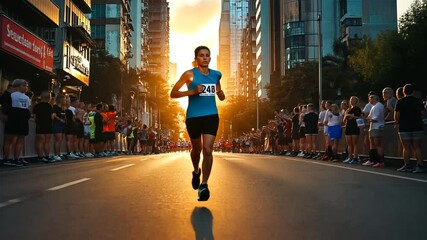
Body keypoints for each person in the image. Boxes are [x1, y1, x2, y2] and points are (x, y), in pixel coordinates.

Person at [170, 46, 225, 201]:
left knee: (208, 150)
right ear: (196, 58)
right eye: (201, 55)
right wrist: (192, 92)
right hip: (193, 117)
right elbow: (173, 93)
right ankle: (196, 171)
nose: (205, 58)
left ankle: (204, 184)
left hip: (211, 116)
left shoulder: (216, 75)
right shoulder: (189, 74)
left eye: (207, 55)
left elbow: (220, 93)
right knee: (197, 150)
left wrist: (220, 93)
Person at [395, 84, 425, 173]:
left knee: (406, 147)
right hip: (417, 126)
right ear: (413, 91)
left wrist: (397, 122)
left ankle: (407, 165)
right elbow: (422, 112)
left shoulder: (400, 102)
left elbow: (396, 115)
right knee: (417, 147)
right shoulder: (419, 101)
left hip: (404, 127)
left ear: (404, 92)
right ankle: (420, 165)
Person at [4, 79, 31, 166]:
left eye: (26, 86)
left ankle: (15, 158)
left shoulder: (27, 97)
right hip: (16, 117)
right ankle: (10, 158)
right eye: (24, 86)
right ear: (19, 86)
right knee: (11, 139)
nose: (26, 88)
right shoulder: (11, 95)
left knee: (18, 139)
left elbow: (28, 109)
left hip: (20, 117)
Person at [363, 94, 385, 168]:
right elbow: (369, 116)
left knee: (378, 144)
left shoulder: (378, 106)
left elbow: (375, 118)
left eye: (371, 98)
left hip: (377, 127)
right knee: (372, 145)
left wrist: (369, 119)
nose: (370, 99)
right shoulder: (373, 106)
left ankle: (380, 161)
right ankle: (373, 159)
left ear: (376, 98)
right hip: (372, 127)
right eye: (369, 98)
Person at [33, 91, 54, 163]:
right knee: (47, 142)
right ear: (49, 97)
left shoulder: (37, 106)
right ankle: (47, 156)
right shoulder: (49, 106)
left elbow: (34, 117)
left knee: (40, 142)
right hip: (48, 125)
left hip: (40, 125)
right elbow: (52, 117)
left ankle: (40, 157)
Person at [343, 96, 362, 164]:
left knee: (354, 143)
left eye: (353, 100)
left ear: (356, 101)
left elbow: (358, 117)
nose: (351, 101)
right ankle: (350, 157)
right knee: (349, 144)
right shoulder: (348, 109)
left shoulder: (357, 108)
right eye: (351, 99)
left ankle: (355, 158)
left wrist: (351, 116)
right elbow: (344, 120)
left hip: (354, 126)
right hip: (348, 127)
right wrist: (345, 116)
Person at [1, 82, 15, 166]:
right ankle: (6, 158)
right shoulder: (7, 96)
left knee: (9, 140)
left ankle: (7, 158)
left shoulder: (7, 95)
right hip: (8, 119)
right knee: (8, 140)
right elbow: (4, 107)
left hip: (8, 118)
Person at [51, 94, 66, 161]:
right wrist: (60, 119)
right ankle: (56, 154)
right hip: (57, 124)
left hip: (62, 124)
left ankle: (59, 153)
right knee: (57, 140)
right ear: (61, 99)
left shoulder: (63, 108)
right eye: (64, 99)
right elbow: (54, 115)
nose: (65, 101)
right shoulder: (55, 107)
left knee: (60, 140)